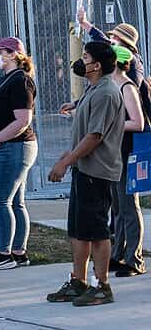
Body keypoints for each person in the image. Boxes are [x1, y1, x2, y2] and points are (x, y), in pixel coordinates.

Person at [44, 35, 125, 306]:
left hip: (97, 172)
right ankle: (78, 281)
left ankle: (103, 285)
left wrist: (66, 162)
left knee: (97, 230)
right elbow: (83, 134)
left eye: (86, 58)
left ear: (98, 65)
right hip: (83, 169)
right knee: (78, 230)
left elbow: (94, 137)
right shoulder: (92, 89)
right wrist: (68, 157)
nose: (81, 62)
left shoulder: (106, 92)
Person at [0, 36, 37, 271]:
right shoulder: (7, 79)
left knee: (1, 200)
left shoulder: (21, 80)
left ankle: (4, 254)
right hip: (6, 147)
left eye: (0, 51)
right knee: (15, 202)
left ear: (14, 54)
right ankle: (18, 252)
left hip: (14, 147)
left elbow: (23, 120)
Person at [109, 43, 147, 278]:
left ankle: (135, 259)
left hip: (127, 152)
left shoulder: (127, 87)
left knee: (129, 206)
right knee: (118, 207)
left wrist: (110, 126)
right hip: (113, 152)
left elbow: (138, 122)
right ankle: (118, 254)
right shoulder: (111, 86)